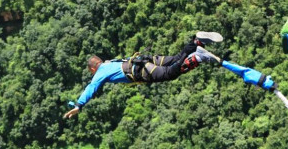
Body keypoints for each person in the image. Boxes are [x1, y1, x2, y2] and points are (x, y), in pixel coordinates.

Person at [63, 31, 223, 119]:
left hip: (142, 69)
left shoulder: (100, 72)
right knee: (175, 59)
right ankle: (197, 46)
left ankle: (196, 50)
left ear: (92, 69)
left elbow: (92, 87)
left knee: (170, 73)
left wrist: (79, 105)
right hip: (145, 59)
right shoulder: (109, 63)